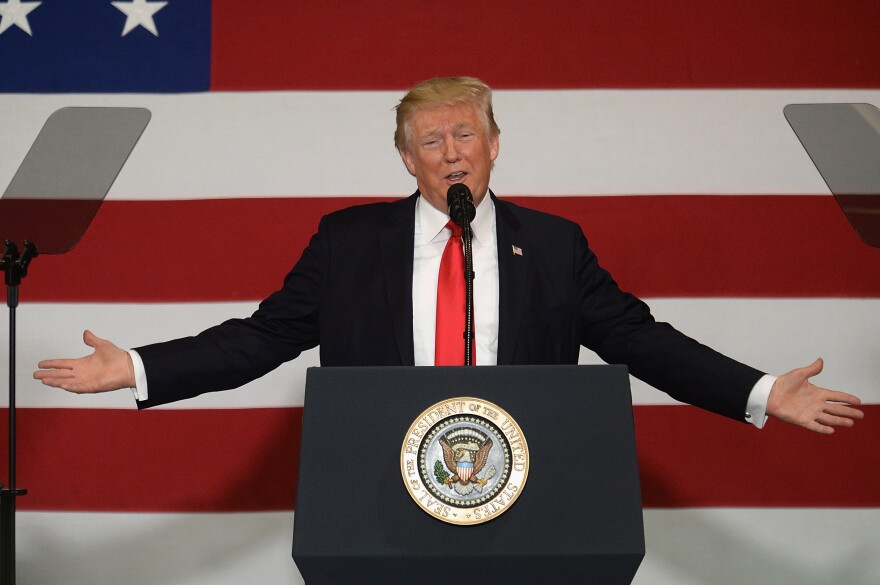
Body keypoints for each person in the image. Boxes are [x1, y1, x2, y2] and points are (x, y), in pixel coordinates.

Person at [34, 77, 863, 434]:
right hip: (380, 488)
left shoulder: (555, 244)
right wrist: (139, 367)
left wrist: (759, 391)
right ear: (407, 159)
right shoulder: (348, 241)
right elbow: (262, 338)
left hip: (525, 483)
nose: (452, 151)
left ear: (495, 144)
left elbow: (641, 340)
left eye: (466, 133)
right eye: (430, 140)